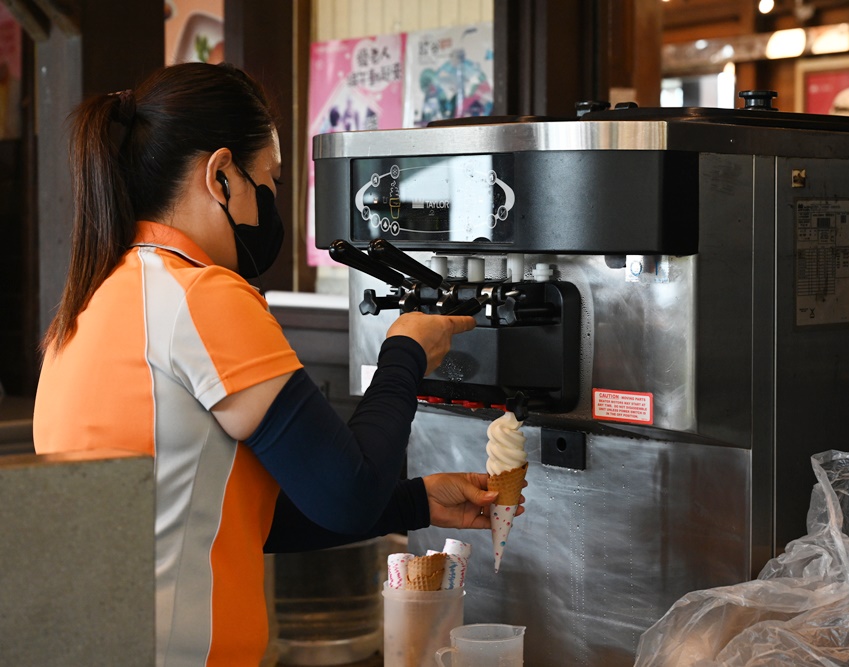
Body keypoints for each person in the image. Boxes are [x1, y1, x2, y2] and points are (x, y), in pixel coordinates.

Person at [32, 62, 525, 666]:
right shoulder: (200, 296)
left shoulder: (94, 300)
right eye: (269, 181)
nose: (272, 205)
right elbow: (348, 493)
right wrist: (407, 352)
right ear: (221, 175)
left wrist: (415, 503)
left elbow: (239, 524)